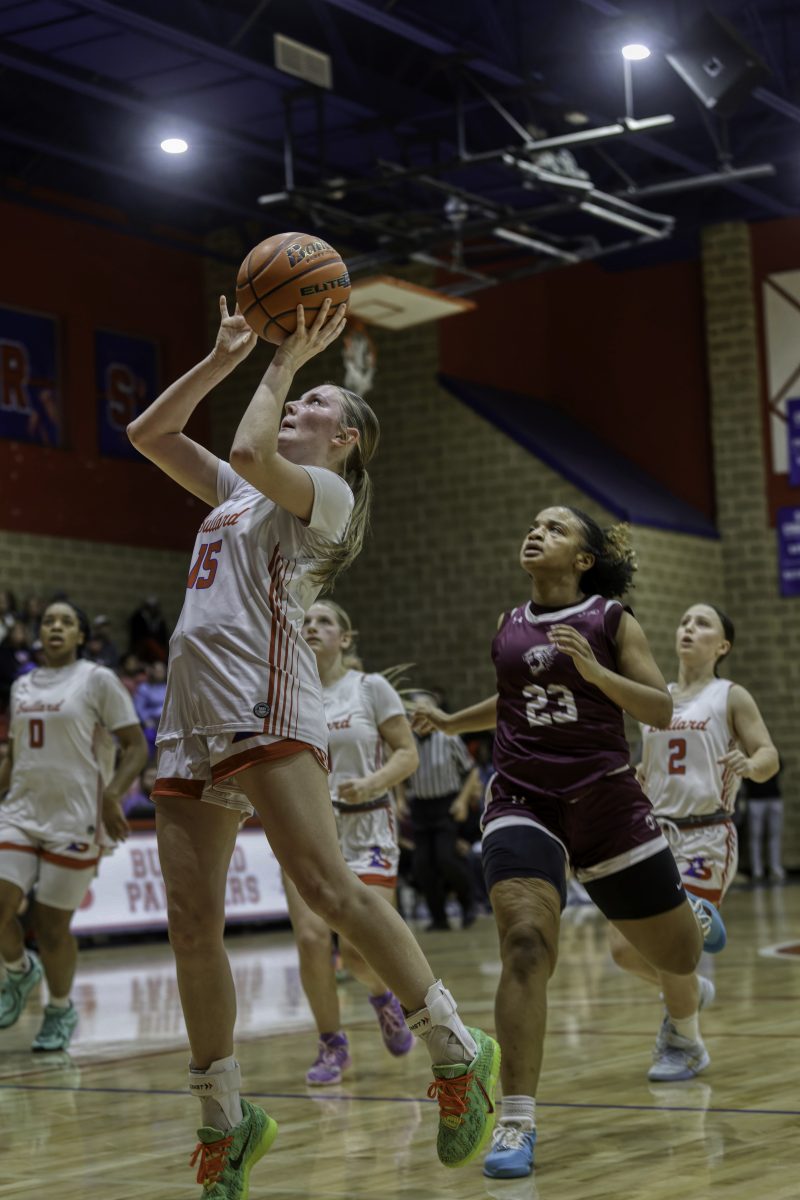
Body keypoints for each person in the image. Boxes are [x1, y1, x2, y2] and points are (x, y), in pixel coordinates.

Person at [126, 295, 499, 1199]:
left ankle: (456, 1049)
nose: (299, 402)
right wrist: (224, 357)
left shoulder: (326, 495)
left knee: (328, 888)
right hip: (191, 715)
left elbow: (255, 450)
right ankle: (226, 1121)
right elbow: (149, 433)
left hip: (267, 698)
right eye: (298, 394)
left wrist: (284, 359)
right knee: (190, 927)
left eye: (318, 402)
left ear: (347, 441)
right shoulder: (237, 493)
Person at [413, 507, 727, 1180]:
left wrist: (596, 673)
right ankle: (517, 1120)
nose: (536, 532)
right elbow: (512, 701)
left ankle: (693, 914)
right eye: (533, 524)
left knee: (678, 954)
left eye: (555, 528)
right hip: (523, 798)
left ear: (584, 559)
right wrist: (450, 721)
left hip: (607, 800)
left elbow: (659, 708)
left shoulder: (610, 620)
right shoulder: (509, 625)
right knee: (526, 943)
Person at [609, 604, 779, 1081]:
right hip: (652, 834)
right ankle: (689, 990)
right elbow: (653, 764)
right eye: (684, 621)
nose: (689, 628)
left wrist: (752, 765)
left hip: (706, 836)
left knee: (671, 943)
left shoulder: (730, 695)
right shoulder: (656, 697)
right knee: (622, 949)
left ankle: (686, 1044)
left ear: (722, 646)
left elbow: (768, 752)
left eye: (702, 624)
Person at [0, 599, 147, 1050]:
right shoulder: (22, 685)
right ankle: (19, 971)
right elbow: (15, 755)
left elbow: (136, 746)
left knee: (50, 929)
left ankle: (60, 1008)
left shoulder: (97, 679)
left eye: (66, 622)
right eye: (48, 621)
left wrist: (112, 795)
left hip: (77, 817)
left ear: (81, 636)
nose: (56, 627)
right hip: (20, 811)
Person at [286, 599, 418, 1084]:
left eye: (324, 621)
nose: (312, 626)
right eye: (305, 621)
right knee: (311, 939)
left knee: (361, 949)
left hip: (367, 825)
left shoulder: (370, 687)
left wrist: (372, 783)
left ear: (345, 638)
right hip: (307, 829)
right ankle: (331, 1043)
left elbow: (407, 753)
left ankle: (383, 996)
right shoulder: (285, 694)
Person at [404, 691, 476, 930]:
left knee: (446, 859)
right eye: (414, 711)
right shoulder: (406, 740)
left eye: (423, 710)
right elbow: (397, 770)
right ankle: (439, 918)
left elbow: (471, 771)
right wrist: (399, 799)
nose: (418, 715)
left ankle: (468, 903)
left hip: (446, 805)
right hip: (419, 806)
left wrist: (463, 801)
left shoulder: (449, 738)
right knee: (422, 866)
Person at [744, 770, 785, 883]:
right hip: (755, 797)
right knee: (755, 836)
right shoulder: (749, 759)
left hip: (774, 796)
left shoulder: (773, 756)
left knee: (775, 835)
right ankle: (757, 870)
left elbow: (779, 768)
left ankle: (775, 868)